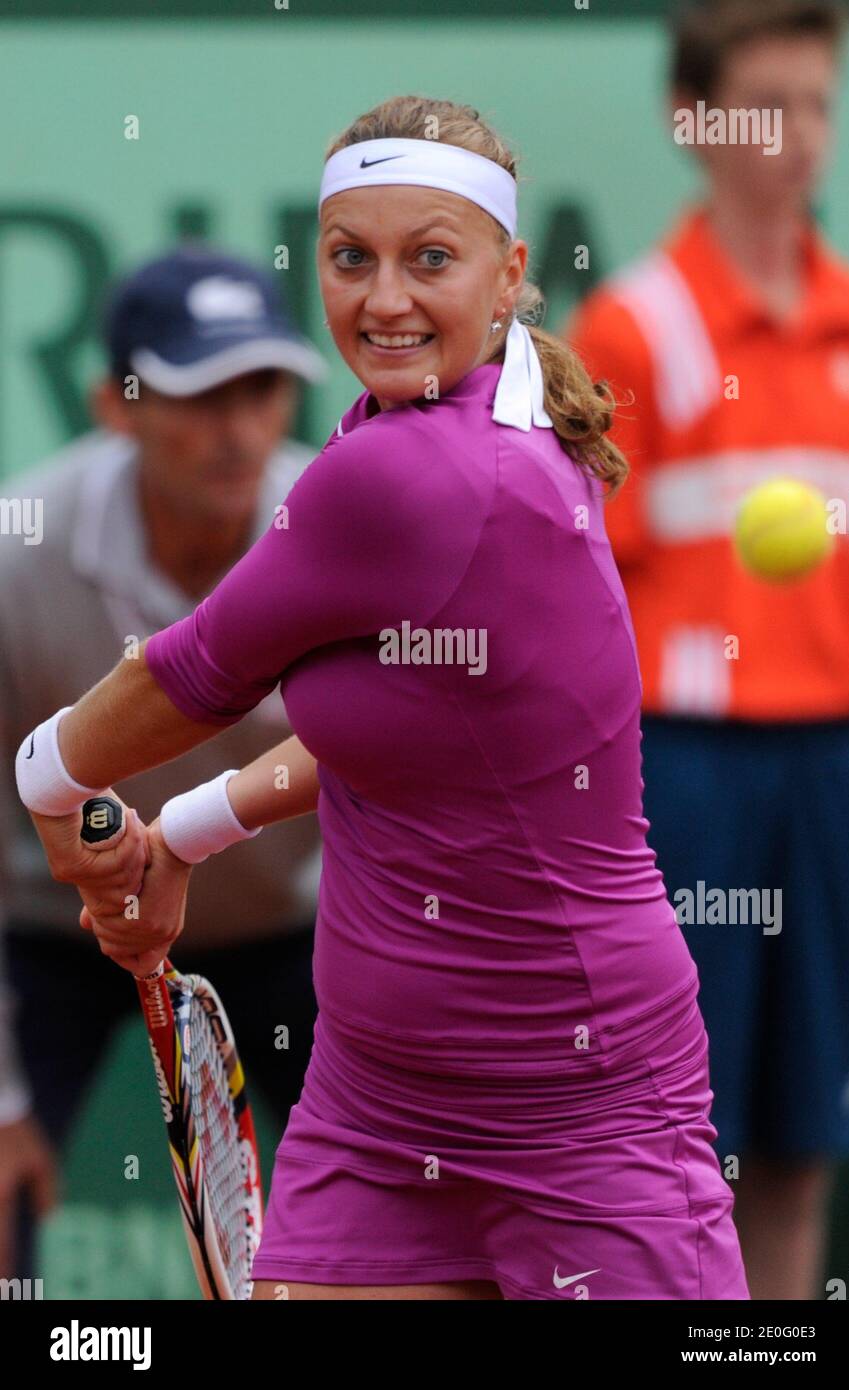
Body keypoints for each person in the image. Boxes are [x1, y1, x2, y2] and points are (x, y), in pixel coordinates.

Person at [15, 96, 749, 1301]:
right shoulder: (468, 416)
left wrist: (47, 783)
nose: (384, 298)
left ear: (510, 274)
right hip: (379, 1101)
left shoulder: (415, 472)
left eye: (430, 259)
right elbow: (403, 733)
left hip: (577, 1097)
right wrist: (188, 833)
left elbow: (186, 675)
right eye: (350, 258)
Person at [566, 0, 849, 1300]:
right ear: (690, 121)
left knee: (807, 1134)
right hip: (678, 774)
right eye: (764, 107)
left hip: (839, 770)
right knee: (671, 1138)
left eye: (816, 103)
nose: (796, 138)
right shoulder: (629, 331)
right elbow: (576, 604)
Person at [0, 246, 328, 1283]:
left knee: (422, 1206)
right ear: (114, 403)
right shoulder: (18, 561)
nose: (235, 430)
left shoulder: (342, 536)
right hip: (57, 933)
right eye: (196, 395)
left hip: (291, 927)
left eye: (260, 389)